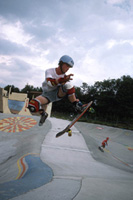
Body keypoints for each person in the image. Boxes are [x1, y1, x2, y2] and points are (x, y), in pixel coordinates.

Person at [28, 55, 85, 126]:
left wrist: (77, 100)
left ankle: (76, 105)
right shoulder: (50, 71)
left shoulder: (65, 77)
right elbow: (50, 83)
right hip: (46, 95)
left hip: (58, 93)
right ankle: (43, 114)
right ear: (61, 63)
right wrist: (62, 80)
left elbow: (69, 89)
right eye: (67, 65)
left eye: (69, 67)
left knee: (68, 84)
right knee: (32, 105)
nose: (67, 69)